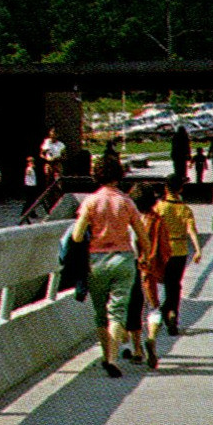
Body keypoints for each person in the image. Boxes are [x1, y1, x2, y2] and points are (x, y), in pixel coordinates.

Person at [70, 158, 149, 378]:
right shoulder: (126, 202)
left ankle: (106, 355)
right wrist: (146, 257)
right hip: (124, 259)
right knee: (118, 311)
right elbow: (142, 235)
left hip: (97, 260)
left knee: (100, 312)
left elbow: (77, 236)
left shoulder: (91, 201)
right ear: (119, 176)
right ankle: (113, 359)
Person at [121, 182, 167, 369]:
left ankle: (137, 349)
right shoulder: (158, 220)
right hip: (153, 269)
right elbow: (165, 248)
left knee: (133, 310)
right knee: (154, 309)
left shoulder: (129, 221)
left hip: (132, 267)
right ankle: (152, 338)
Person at [153, 174, 202, 336]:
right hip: (180, 250)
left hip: (163, 249)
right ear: (180, 189)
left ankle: (166, 310)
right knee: (175, 284)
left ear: (165, 188)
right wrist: (197, 249)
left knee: (166, 283)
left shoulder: (159, 207)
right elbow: (191, 231)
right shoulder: (185, 209)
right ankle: (172, 311)